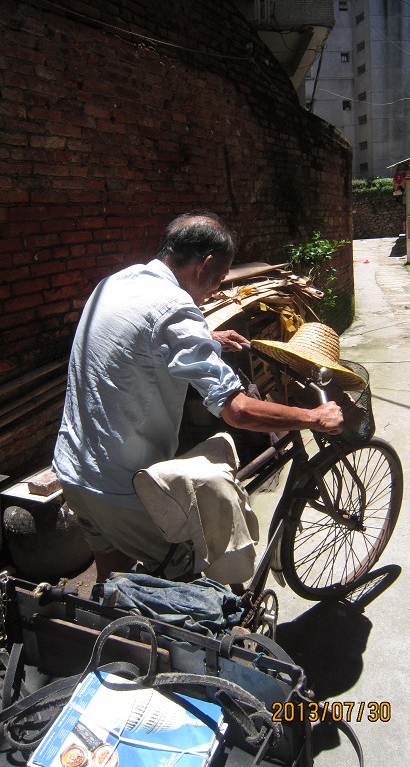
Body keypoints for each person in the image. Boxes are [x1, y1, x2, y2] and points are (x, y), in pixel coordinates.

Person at [53, 212, 344, 583]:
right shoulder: (175, 307)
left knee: (115, 582)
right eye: (218, 280)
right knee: (194, 581)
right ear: (205, 265)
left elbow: (142, 333)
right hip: (122, 489)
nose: (213, 291)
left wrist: (208, 337)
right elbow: (237, 411)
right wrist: (314, 417)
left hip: (73, 471)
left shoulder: (117, 282)